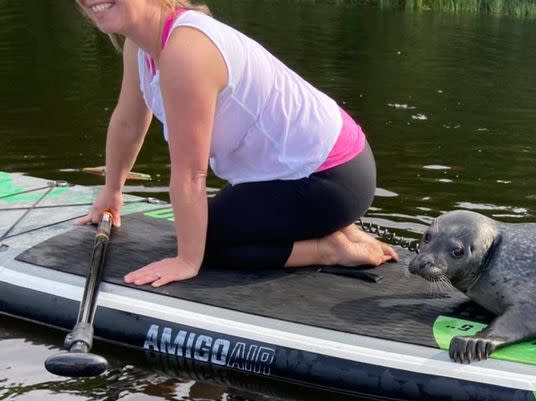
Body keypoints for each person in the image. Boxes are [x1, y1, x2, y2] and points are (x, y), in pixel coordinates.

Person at [75, 0, 398, 288]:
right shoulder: (141, 43)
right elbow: (129, 122)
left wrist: (188, 261)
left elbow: (190, 175)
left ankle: (330, 249)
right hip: (322, 171)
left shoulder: (186, 51)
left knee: (208, 242)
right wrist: (112, 191)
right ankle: (335, 228)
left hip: (328, 179)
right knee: (202, 226)